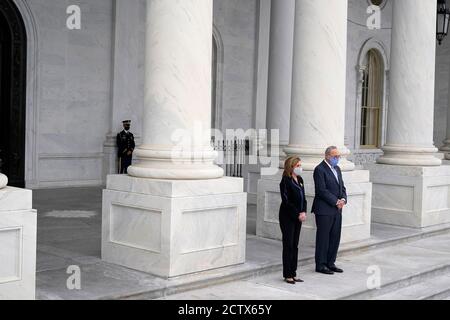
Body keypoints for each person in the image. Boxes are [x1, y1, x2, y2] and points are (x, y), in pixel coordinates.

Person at [312, 146, 347, 275]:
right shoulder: (319, 169)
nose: (337, 159)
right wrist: (336, 201)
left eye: (338, 156)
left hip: (337, 210)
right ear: (327, 156)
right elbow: (321, 190)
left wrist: (343, 199)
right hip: (324, 210)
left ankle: (330, 263)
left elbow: (342, 187)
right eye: (334, 156)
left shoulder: (337, 169)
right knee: (323, 238)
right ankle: (320, 265)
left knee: (334, 237)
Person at [279, 156, 307, 285]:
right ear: (291, 167)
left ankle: (294, 272)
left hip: (299, 216)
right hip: (287, 216)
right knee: (288, 244)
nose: (300, 168)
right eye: (297, 166)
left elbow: (303, 198)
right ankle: (287, 274)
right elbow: (286, 202)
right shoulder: (285, 181)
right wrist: (297, 214)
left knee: (295, 245)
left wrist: (304, 212)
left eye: (300, 165)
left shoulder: (300, 179)